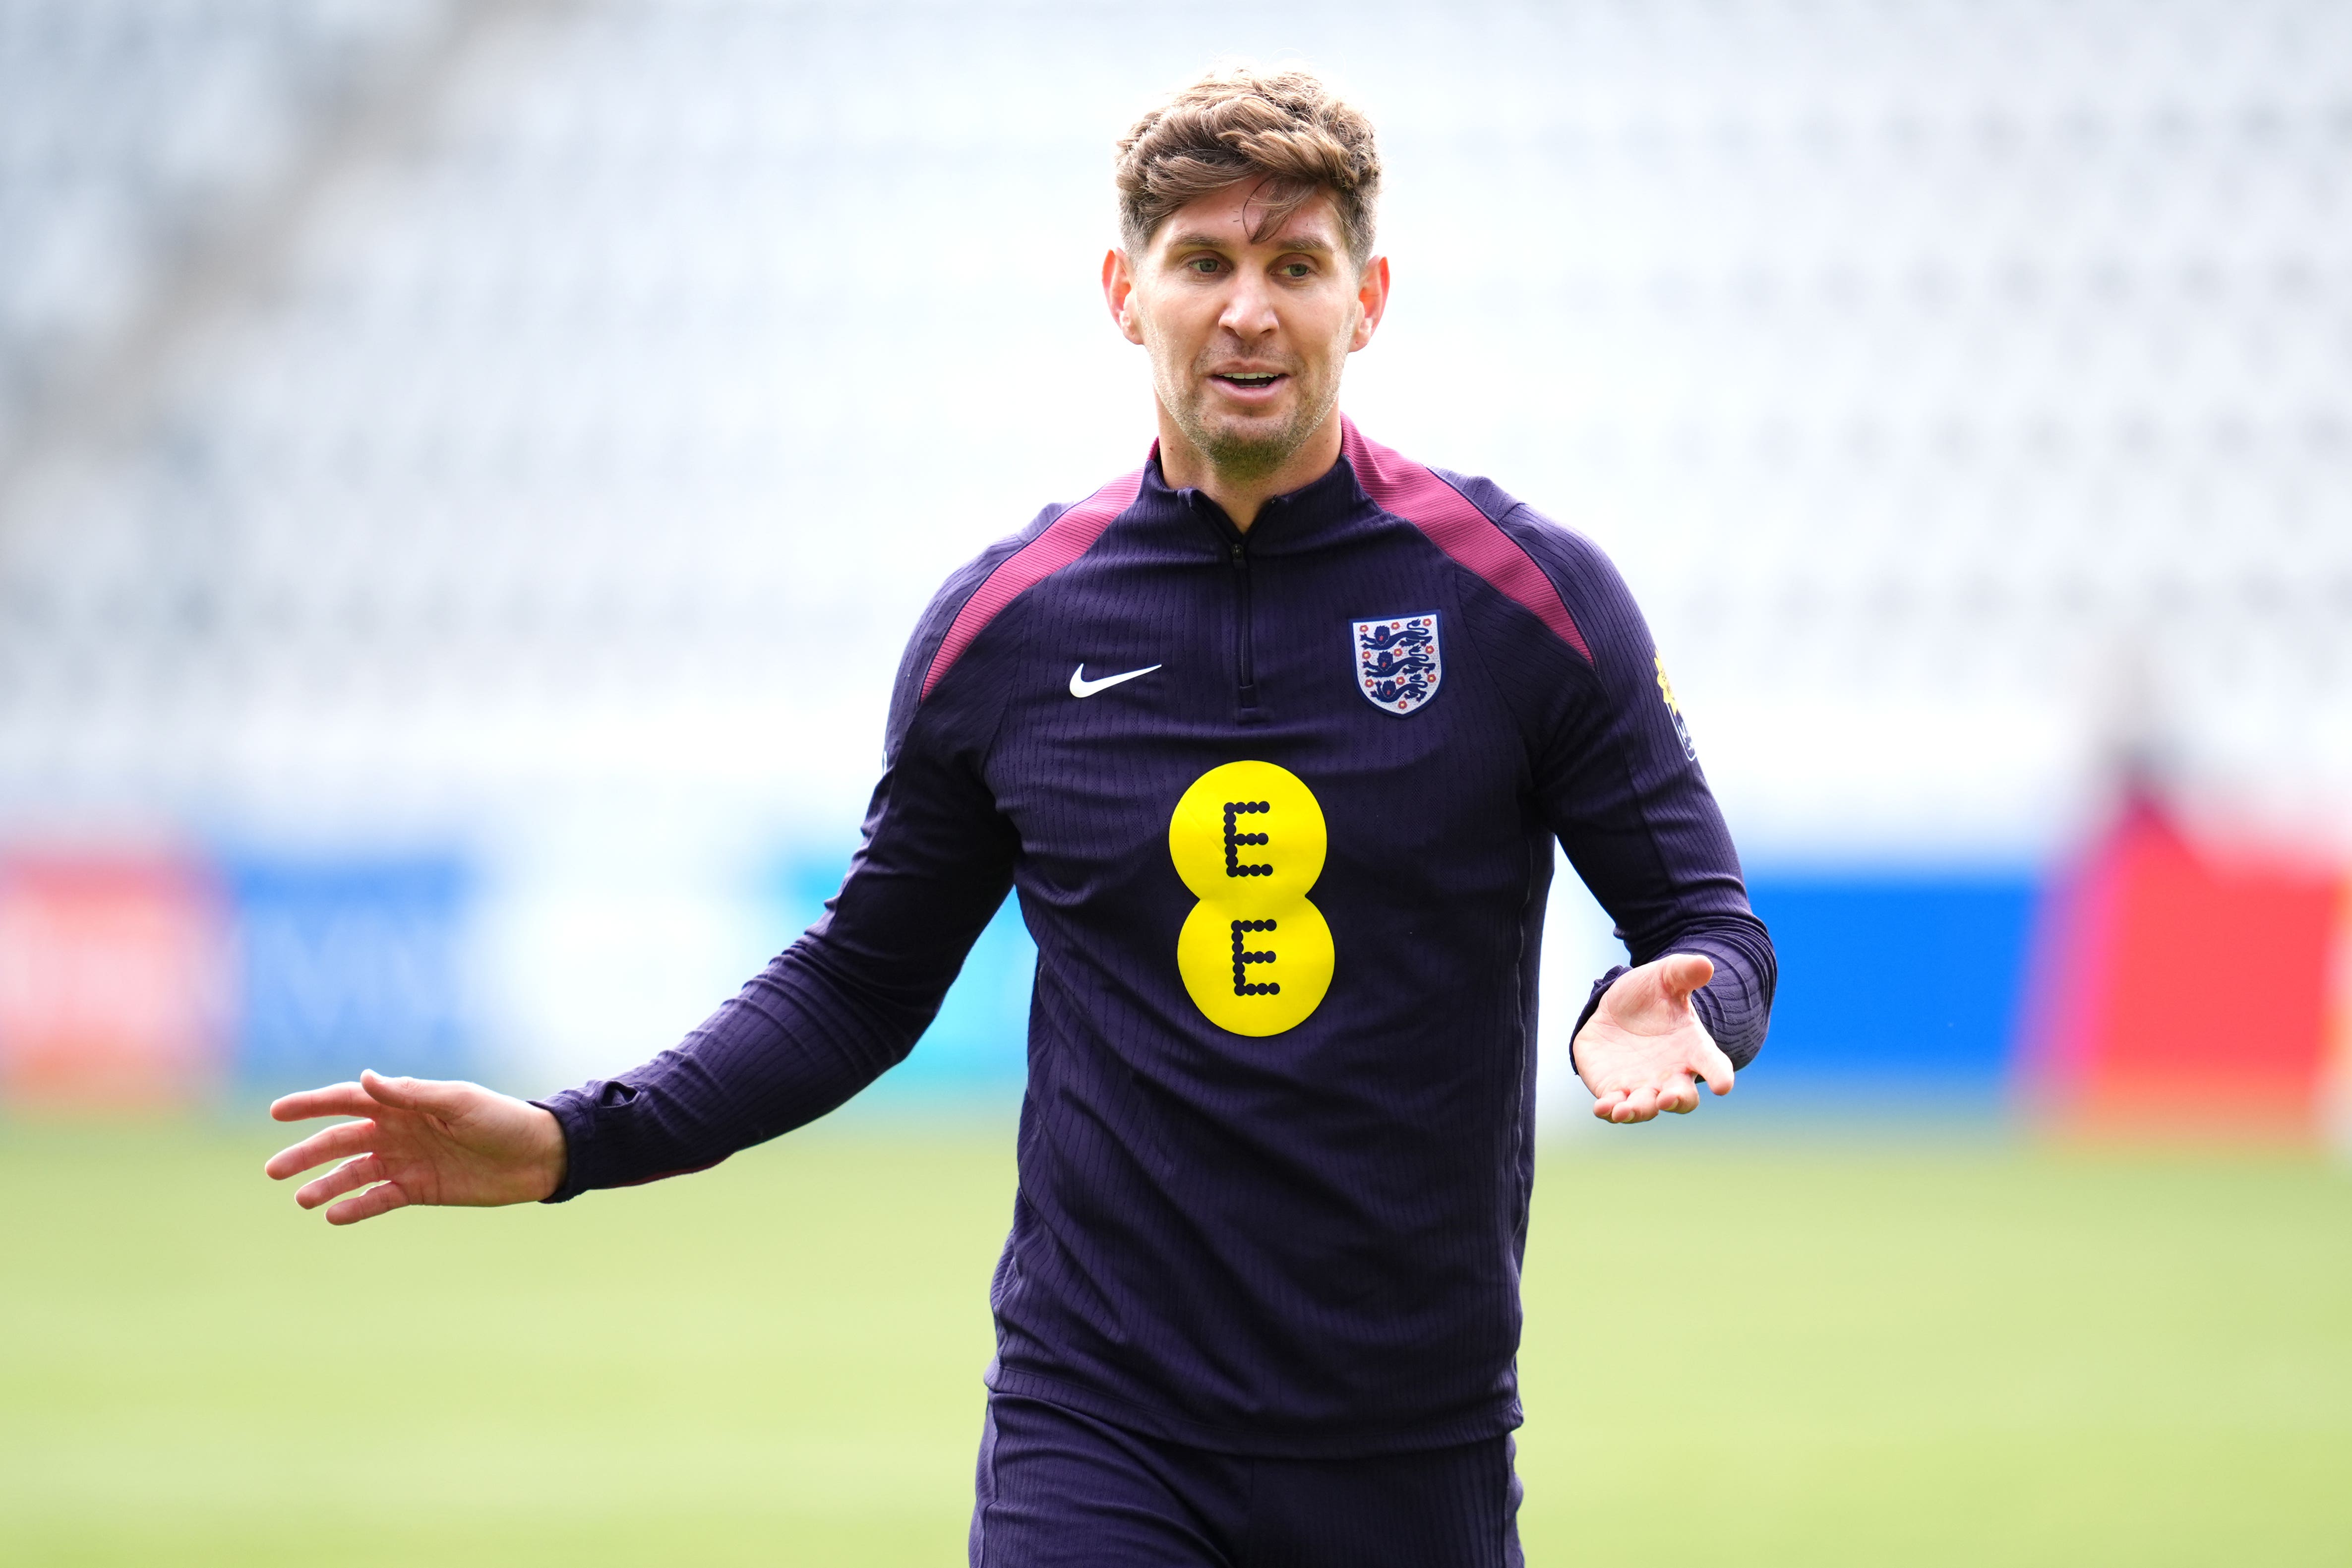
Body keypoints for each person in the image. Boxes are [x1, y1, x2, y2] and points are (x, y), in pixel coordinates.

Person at [266, 63, 1775, 1568]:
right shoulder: (1005, 630)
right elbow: (861, 977)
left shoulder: (1528, 599)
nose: (1249, 310)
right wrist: (570, 1140)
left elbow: (1710, 927)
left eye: (1295, 266)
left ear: (1368, 298)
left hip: (1414, 1438)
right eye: (1204, 262)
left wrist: (1675, 1006)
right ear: (1127, 291)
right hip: (1099, 1422)